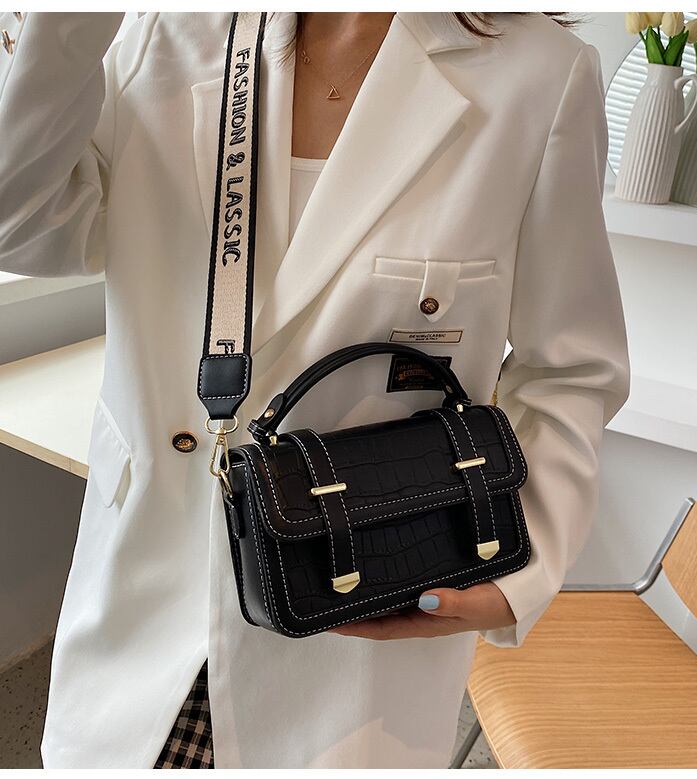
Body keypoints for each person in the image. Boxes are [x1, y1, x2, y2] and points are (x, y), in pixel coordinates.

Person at [0, 11, 630, 768]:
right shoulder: (159, 34)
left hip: (354, 635)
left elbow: (570, 369)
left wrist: (524, 564)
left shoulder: (540, 78)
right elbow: (18, 224)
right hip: (143, 600)